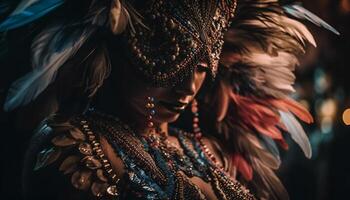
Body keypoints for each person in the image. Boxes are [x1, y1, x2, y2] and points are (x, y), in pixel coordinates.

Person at [0, 0, 338, 199]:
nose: (187, 87)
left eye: (202, 68)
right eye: (167, 57)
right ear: (118, 48)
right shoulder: (79, 147)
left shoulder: (210, 150)